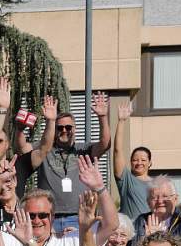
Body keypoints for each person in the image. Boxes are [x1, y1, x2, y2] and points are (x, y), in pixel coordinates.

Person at [15, 92, 111, 234]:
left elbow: (105, 144)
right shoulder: (44, 149)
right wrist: (20, 129)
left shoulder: (84, 149)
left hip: (78, 215)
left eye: (68, 127)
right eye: (59, 128)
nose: (64, 131)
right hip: (48, 217)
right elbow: (22, 148)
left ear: (74, 129)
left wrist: (102, 117)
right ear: (54, 130)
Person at [111, 100, 151, 221]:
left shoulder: (158, 184)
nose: (139, 163)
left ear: (150, 162)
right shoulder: (126, 180)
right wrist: (121, 121)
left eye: (143, 160)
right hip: (131, 230)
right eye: (135, 160)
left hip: (152, 230)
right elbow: (118, 150)